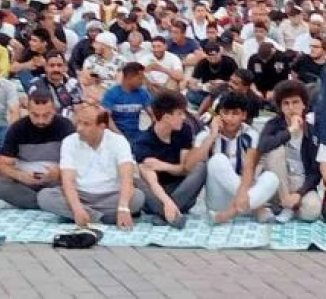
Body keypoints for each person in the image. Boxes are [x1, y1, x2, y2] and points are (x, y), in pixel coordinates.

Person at [37, 103, 145, 229]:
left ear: (102, 126)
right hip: (81, 195)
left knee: (138, 197)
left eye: (86, 124)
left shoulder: (118, 142)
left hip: (111, 195)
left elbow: (127, 178)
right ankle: (99, 218)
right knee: (45, 197)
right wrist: (77, 208)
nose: (79, 128)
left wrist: (123, 208)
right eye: (79, 122)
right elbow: (67, 180)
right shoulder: (70, 141)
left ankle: (86, 217)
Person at [186, 92, 278, 224]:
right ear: (219, 115)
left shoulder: (250, 135)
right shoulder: (206, 134)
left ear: (244, 115)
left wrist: (242, 194)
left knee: (271, 177)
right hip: (219, 199)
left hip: (243, 196)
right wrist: (212, 136)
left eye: (235, 113)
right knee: (218, 160)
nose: (229, 118)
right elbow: (189, 166)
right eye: (226, 113)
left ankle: (229, 214)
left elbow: (249, 168)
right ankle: (256, 207)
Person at [0, 89, 75, 210]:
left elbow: (77, 161)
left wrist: (57, 174)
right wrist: (20, 176)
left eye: (46, 115)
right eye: (35, 115)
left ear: (54, 111)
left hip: (57, 181)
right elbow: (3, 164)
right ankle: (44, 203)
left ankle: (44, 201)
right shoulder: (17, 128)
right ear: (28, 111)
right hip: (26, 182)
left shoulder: (66, 126)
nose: (41, 120)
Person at [133, 91, 205, 228]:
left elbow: (184, 169)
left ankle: (164, 214)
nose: (183, 117)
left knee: (201, 167)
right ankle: (170, 212)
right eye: (179, 114)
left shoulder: (184, 130)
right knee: (135, 176)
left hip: (180, 189)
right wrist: (167, 202)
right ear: (166, 117)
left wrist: (162, 165)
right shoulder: (143, 142)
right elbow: (152, 182)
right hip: (156, 195)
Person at [259, 80, 322, 224]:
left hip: (301, 181)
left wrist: (300, 193)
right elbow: (263, 146)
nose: (291, 108)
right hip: (278, 179)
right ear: (280, 107)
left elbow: (315, 171)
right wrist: (290, 131)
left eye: (295, 102)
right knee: (276, 150)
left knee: (312, 211)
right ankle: (285, 203)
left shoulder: (312, 129)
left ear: (304, 104)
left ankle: (285, 205)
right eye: (286, 104)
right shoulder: (273, 125)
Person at [101, 62, 153, 147]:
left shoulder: (143, 93)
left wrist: (149, 133)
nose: (142, 82)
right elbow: (107, 118)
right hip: (115, 136)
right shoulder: (112, 93)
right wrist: (119, 136)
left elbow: (153, 114)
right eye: (140, 78)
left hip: (136, 135)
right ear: (129, 77)